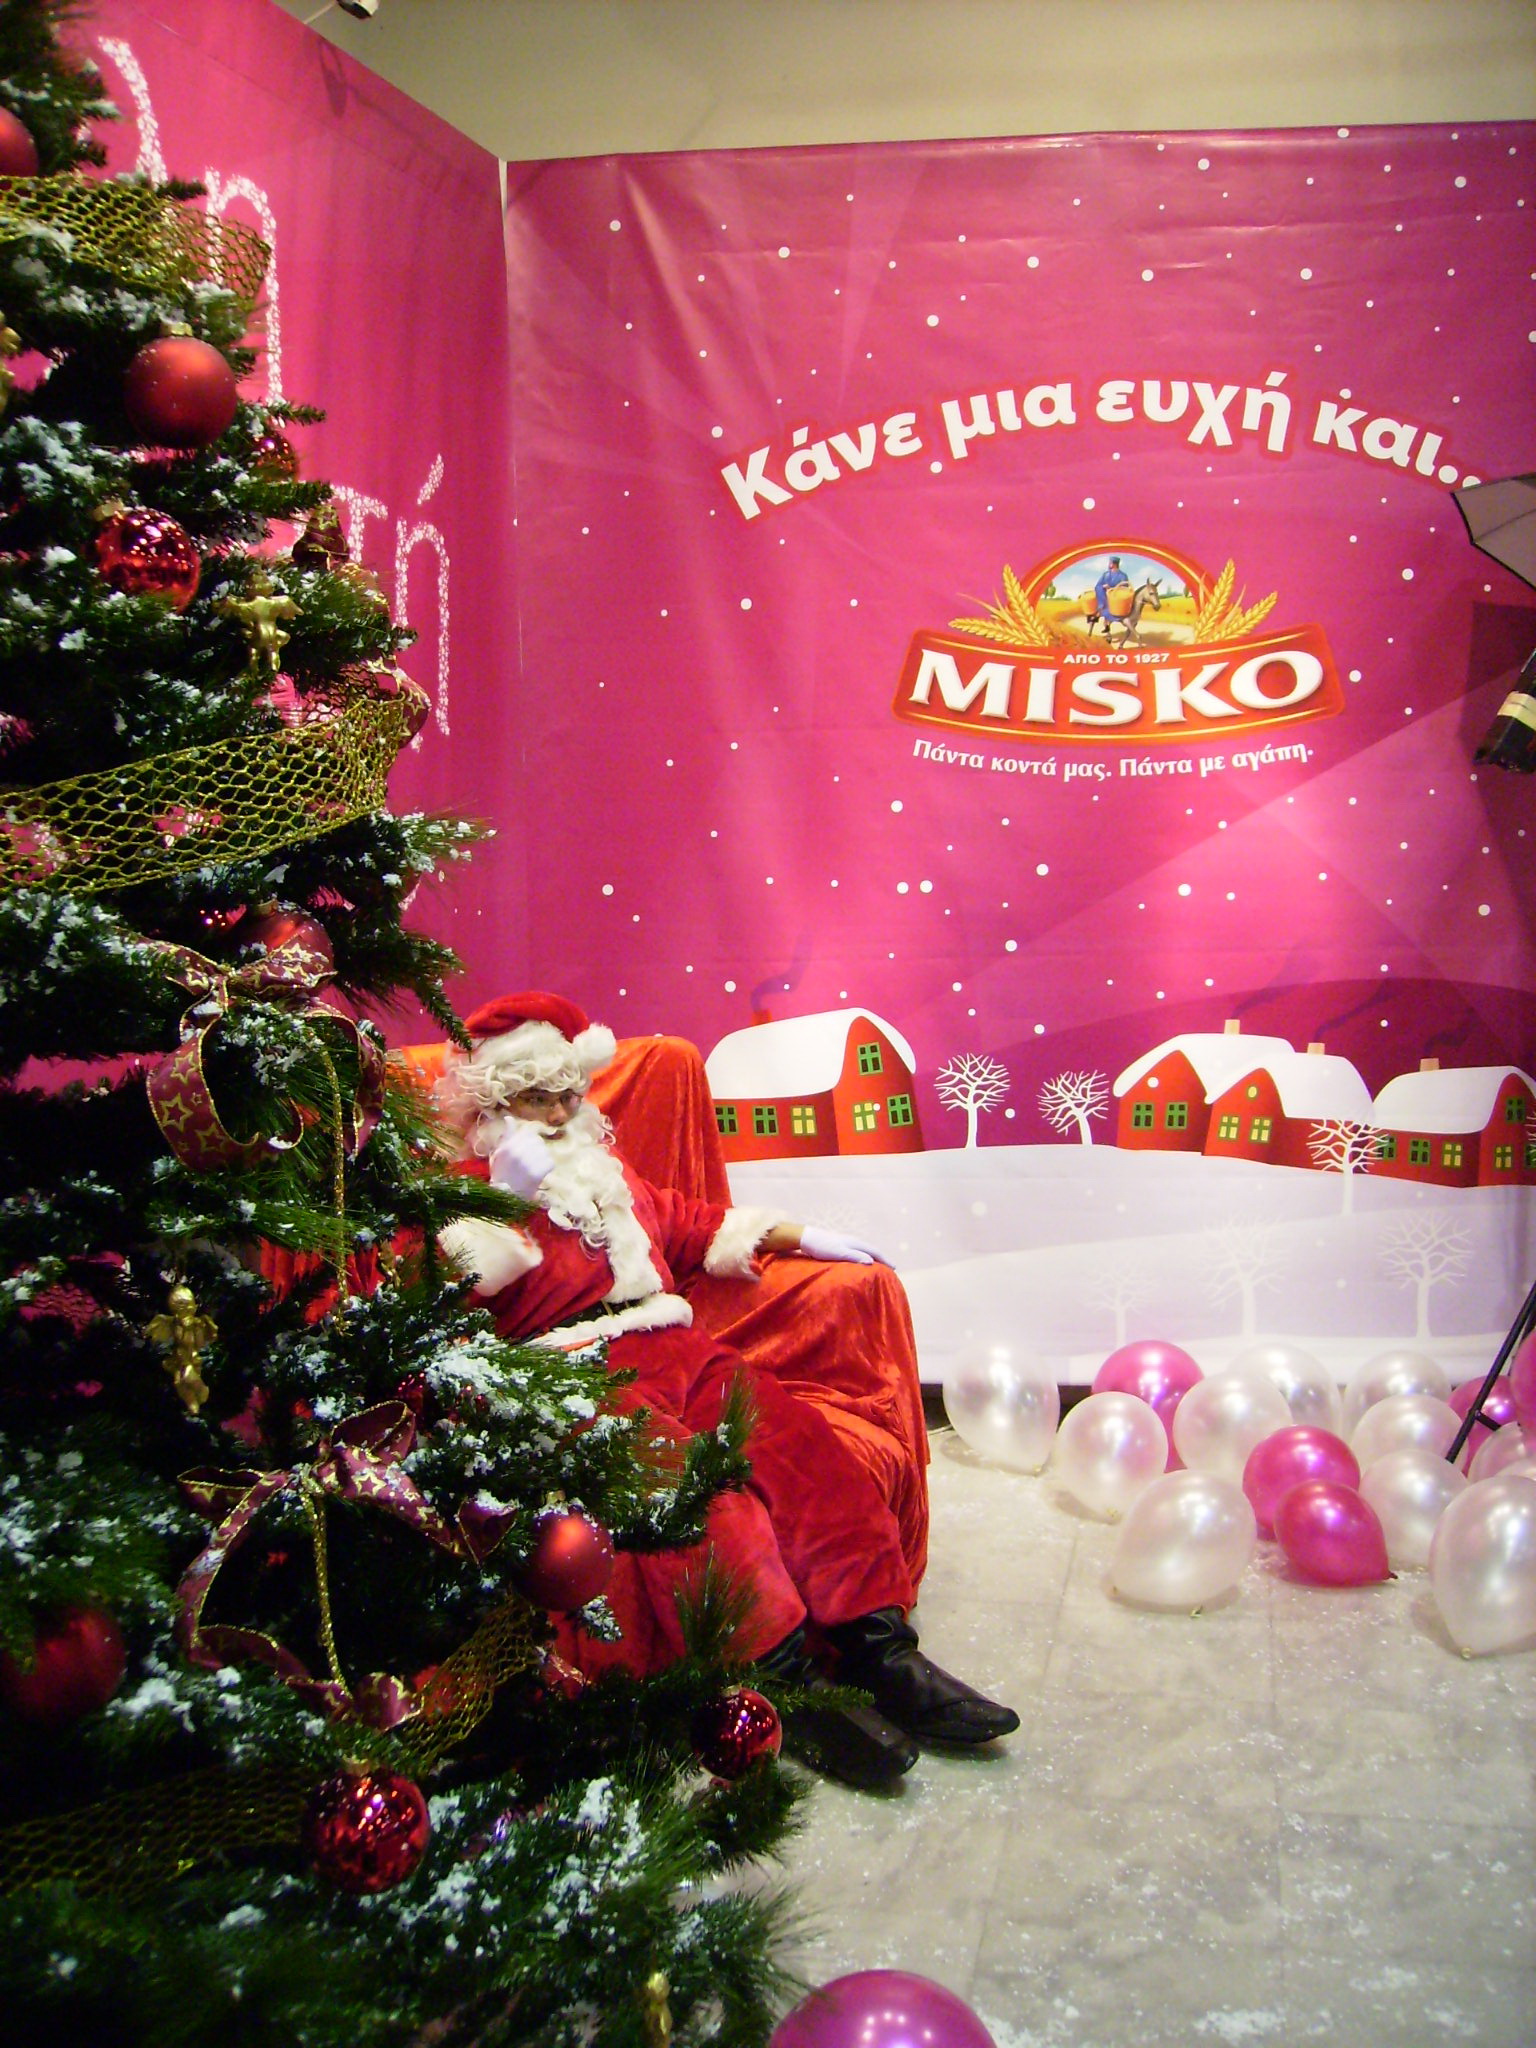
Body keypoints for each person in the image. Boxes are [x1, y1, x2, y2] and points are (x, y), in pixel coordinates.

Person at [437, 990, 1018, 1789]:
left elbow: (691, 1224)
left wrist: (801, 1234)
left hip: (674, 1344)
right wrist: (503, 1199)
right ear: (495, 1104)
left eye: (571, 1093)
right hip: (574, 1373)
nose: (563, 1113)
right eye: (541, 1098)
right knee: (702, 1497)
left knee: (800, 1447)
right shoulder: (462, 1195)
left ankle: (879, 1650)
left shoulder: (607, 1173)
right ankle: (786, 1683)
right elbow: (448, 1292)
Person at [1092, 554, 1129, 629]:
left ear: (1114, 564)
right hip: (1104, 596)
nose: (1109, 564)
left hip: (1116, 598)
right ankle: (1101, 611)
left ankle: (1106, 620)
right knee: (1103, 600)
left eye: (1110, 563)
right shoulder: (1105, 574)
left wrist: (1112, 588)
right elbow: (1098, 585)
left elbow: (1125, 588)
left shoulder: (1123, 575)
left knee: (1112, 605)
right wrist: (1103, 586)